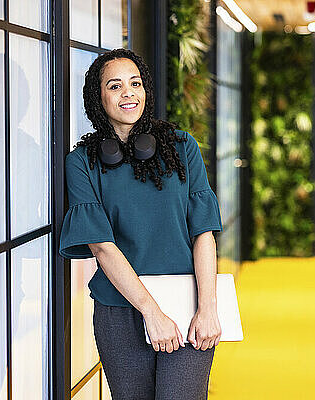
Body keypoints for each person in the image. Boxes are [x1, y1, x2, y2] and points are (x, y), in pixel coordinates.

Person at [58, 48, 223, 400]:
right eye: (115, 86)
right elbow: (101, 246)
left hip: (188, 303)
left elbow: (204, 233)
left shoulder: (183, 147)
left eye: (135, 84)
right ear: (97, 96)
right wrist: (151, 312)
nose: (128, 93)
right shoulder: (81, 162)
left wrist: (208, 307)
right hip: (120, 311)